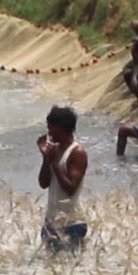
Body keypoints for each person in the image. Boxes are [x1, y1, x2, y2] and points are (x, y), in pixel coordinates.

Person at [37, 106, 89, 253]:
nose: (48, 132)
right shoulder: (55, 150)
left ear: (61, 128)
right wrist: (46, 158)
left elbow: (71, 188)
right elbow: (43, 183)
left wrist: (54, 162)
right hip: (52, 221)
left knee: (69, 269)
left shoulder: (77, 152)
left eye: (50, 127)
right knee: (52, 269)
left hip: (72, 222)